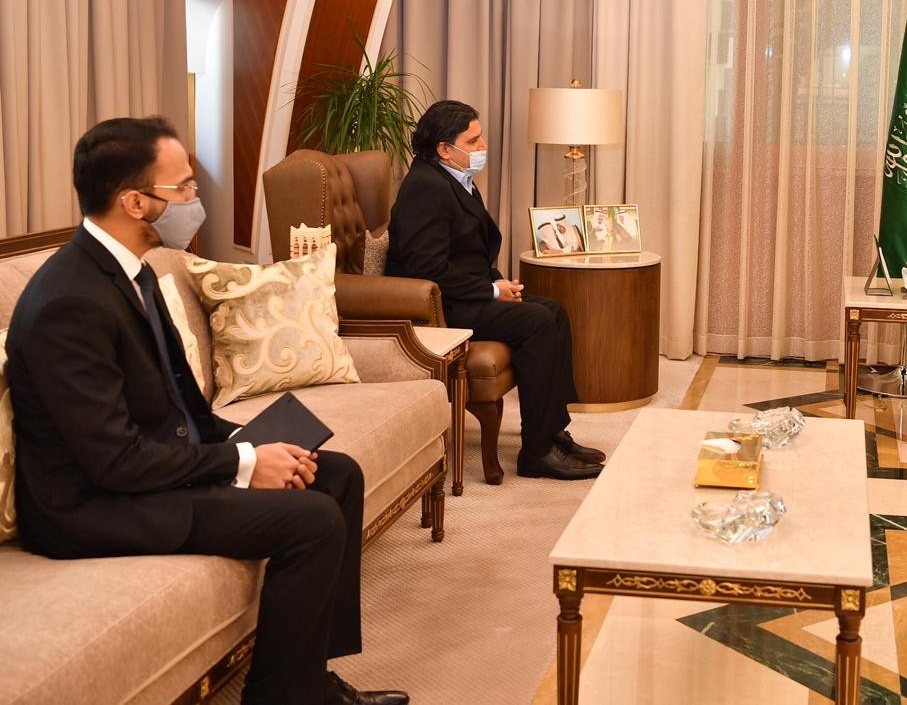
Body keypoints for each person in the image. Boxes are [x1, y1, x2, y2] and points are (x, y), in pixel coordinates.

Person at [6, 118, 408, 705]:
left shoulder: (133, 270)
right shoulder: (70, 302)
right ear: (135, 202)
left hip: (147, 467)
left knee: (336, 473)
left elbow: (180, 405)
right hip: (93, 506)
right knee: (313, 521)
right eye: (185, 188)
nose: (196, 200)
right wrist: (243, 463)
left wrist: (249, 440)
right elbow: (114, 462)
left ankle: (311, 681)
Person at [385, 100, 605, 481]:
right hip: (442, 308)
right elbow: (427, 270)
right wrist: (491, 290)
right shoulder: (425, 187)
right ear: (444, 148)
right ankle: (535, 453)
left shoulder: (455, 179)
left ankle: (552, 432)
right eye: (473, 141)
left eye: (481, 137)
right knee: (538, 322)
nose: (483, 146)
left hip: (466, 293)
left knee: (554, 312)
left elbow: (468, 252)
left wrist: (502, 286)